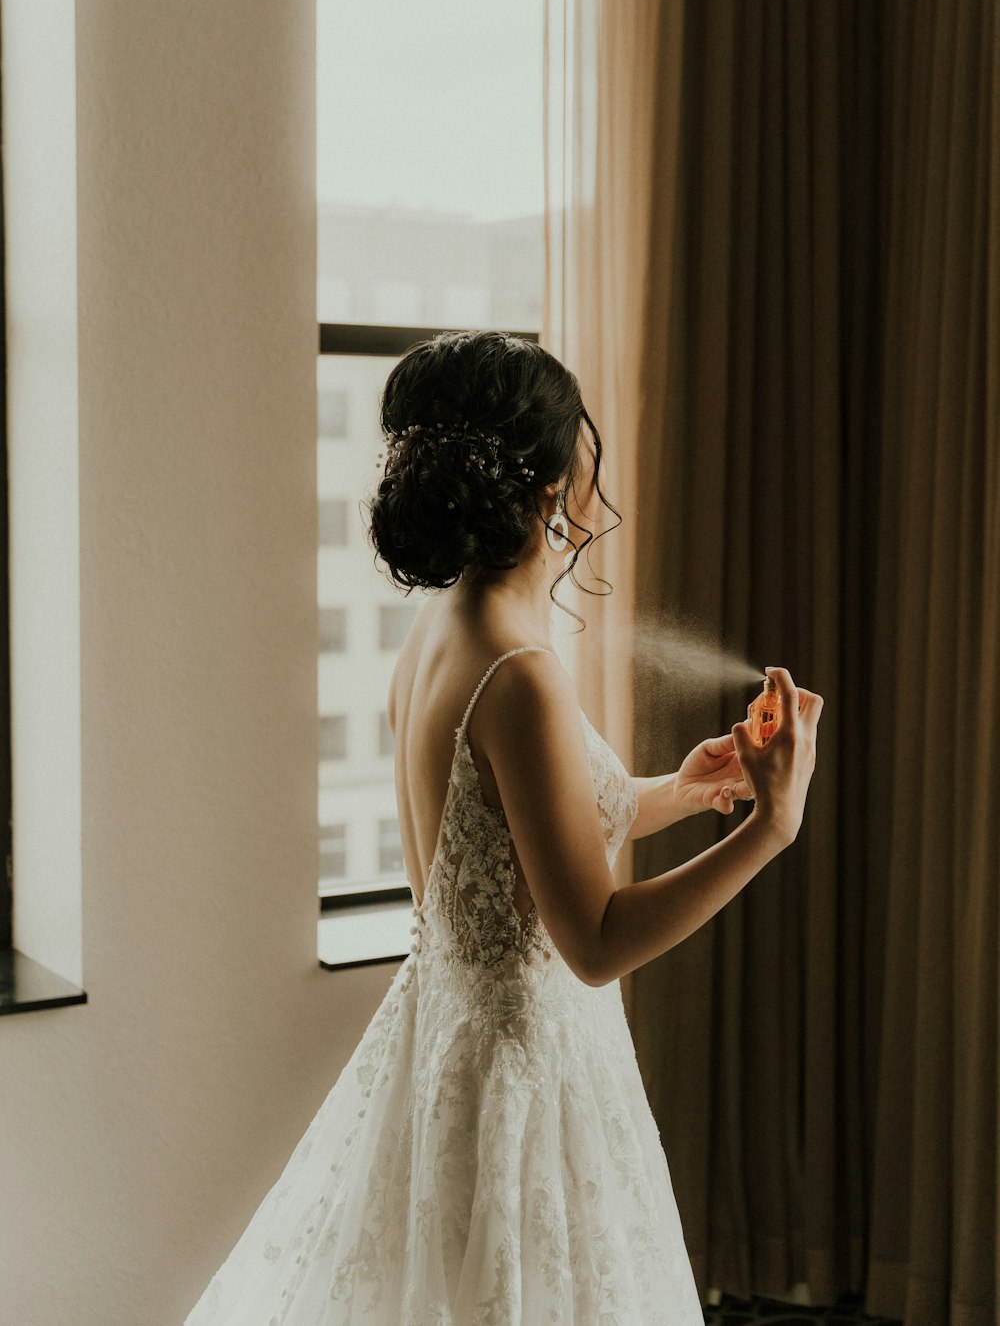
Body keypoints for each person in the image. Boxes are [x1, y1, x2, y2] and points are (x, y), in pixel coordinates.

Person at [183, 329, 824, 1324]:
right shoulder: (518, 672)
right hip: (527, 1073)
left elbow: (501, 849)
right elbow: (594, 942)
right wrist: (768, 829)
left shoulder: (441, 629)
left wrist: (680, 793)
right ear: (551, 476)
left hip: (450, 1043)